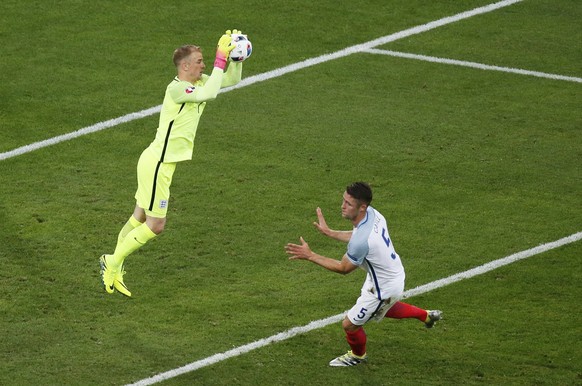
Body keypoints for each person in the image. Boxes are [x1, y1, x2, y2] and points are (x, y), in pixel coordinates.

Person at [99, 29, 246, 297]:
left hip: (156, 162)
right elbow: (211, 92)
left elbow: (228, 81)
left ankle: (116, 267)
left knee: (139, 217)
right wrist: (220, 59)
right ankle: (112, 261)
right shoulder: (178, 88)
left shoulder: (200, 81)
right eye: (200, 61)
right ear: (186, 65)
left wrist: (237, 56)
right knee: (156, 224)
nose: (204, 64)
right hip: (158, 165)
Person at [285, 182, 442, 366]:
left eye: (348, 204)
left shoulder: (362, 241)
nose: (342, 206)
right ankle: (426, 315)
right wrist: (330, 233)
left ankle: (357, 356)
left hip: (384, 287)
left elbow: (343, 268)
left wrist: (310, 255)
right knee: (384, 308)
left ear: (362, 207)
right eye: (343, 200)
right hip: (390, 272)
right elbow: (358, 235)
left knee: (350, 325)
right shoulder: (373, 214)